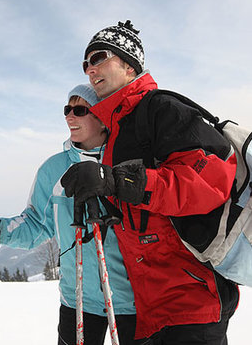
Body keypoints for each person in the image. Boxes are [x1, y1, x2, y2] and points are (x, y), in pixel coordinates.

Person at [60, 21, 240, 344]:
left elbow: (212, 178)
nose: (90, 69)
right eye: (85, 63)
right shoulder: (116, 133)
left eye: (99, 57)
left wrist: (116, 180)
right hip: (151, 312)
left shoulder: (161, 109)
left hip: (192, 303)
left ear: (129, 65)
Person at [0, 84, 152, 345]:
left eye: (79, 110)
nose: (69, 116)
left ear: (102, 118)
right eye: (67, 109)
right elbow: (36, 225)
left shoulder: (127, 165)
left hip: (134, 300)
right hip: (77, 299)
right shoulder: (54, 170)